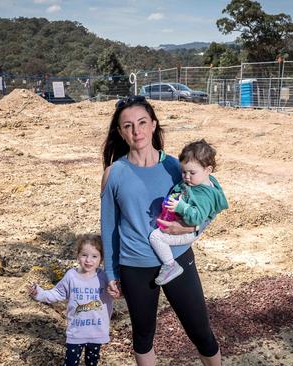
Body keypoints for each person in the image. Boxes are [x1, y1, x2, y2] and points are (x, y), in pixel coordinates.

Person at [100, 95, 221, 366]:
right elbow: (109, 226)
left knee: (201, 332)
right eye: (128, 125)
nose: (136, 130)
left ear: (154, 125)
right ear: (120, 132)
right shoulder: (113, 173)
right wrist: (111, 271)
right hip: (134, 266)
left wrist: (191, 228)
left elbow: (210, 205)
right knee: (143, 337)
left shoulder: (177, 167)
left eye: (142, 122)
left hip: (178, 259)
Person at [149, 139, 228, 285]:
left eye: (192, 172)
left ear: (208, 170)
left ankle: (170, 265)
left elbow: (196, 219)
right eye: (183, 172)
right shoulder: (199, 181)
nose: (186, 177)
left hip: (188, 232)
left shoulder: (203, 196)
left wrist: (181, 207)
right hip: (184, 223)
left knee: (155, 237)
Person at [29, 234, 113, 366]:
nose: (88, 260)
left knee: (92, 362)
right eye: (84, 255)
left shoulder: (105, 277)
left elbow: (118, 292)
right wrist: (39, 293)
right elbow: (57, 293)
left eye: (94, 256)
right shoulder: (71, 276)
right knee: (70, 363)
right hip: (76, 333)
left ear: (101, 259)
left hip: (96, 331)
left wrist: (118, 290)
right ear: (78, 256)